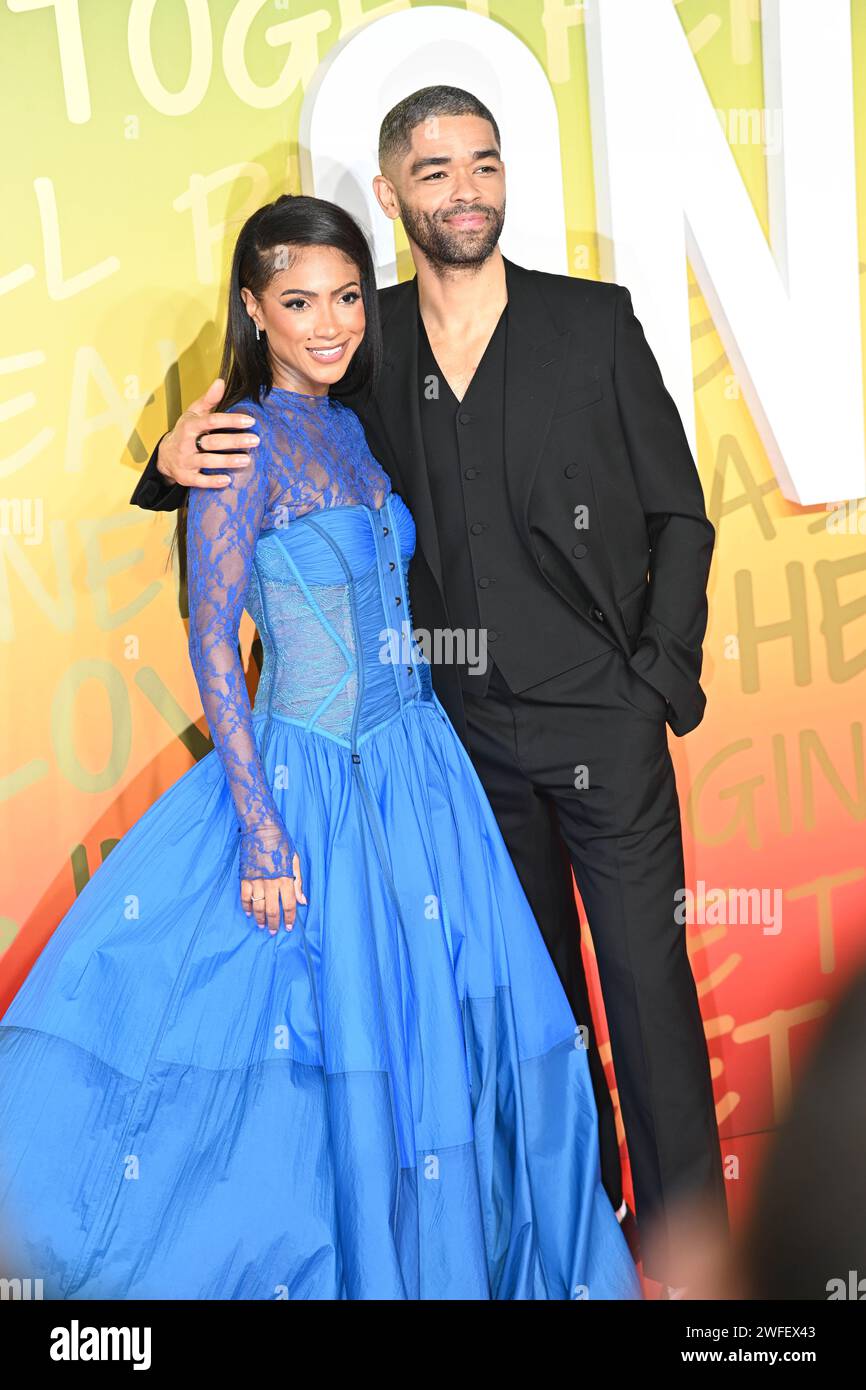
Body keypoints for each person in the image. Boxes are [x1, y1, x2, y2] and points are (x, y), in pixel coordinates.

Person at [133, 86, 728, 1291]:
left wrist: (653, 681)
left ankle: (698, 1266)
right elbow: (254, 456)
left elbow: (681, 508)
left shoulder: (591, 323)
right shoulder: (367, 337)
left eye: (485, 164)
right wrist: (162, 461)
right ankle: (575, 1232)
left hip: (597, 727)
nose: (466, 189)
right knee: (529, 1012)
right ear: (394, 193)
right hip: (453, 751)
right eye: (436, 170)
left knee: (647, 999)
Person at [0, 193, 641, 1301]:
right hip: (311, 779)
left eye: (345, 297)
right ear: (252, 311)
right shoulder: (238, 444)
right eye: (297, 302)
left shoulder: (355, 420)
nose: (330, 322)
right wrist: (259, 830)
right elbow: (210, 642)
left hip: (421, 773)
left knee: (452, 1034)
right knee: (317, 1066)